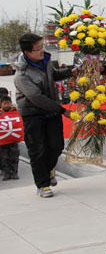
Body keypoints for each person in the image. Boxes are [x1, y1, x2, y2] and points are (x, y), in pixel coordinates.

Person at [14, 33, 75, 197]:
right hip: (34, 115)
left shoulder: (45, 61)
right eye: (38, 49)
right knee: (38, 150)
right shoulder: (22, 75)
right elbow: (37, 98)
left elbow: (53, 75)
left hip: (52, 112)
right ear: (28, 53)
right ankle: (42, 185)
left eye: (42, 47)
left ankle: (48, 171)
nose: (42, 51)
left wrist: (71, 71)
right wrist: (63, 110)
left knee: (56, 146)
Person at [0, 95, 20, 180]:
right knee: (4, 157)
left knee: (14, 157)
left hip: (13, 140)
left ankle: (14, 172)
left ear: (11, 103)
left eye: (8, 103)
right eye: (4, 104)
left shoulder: (15, 112)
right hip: (3, 141)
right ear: (1, 104)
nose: (6, 105)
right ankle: (6, 173)